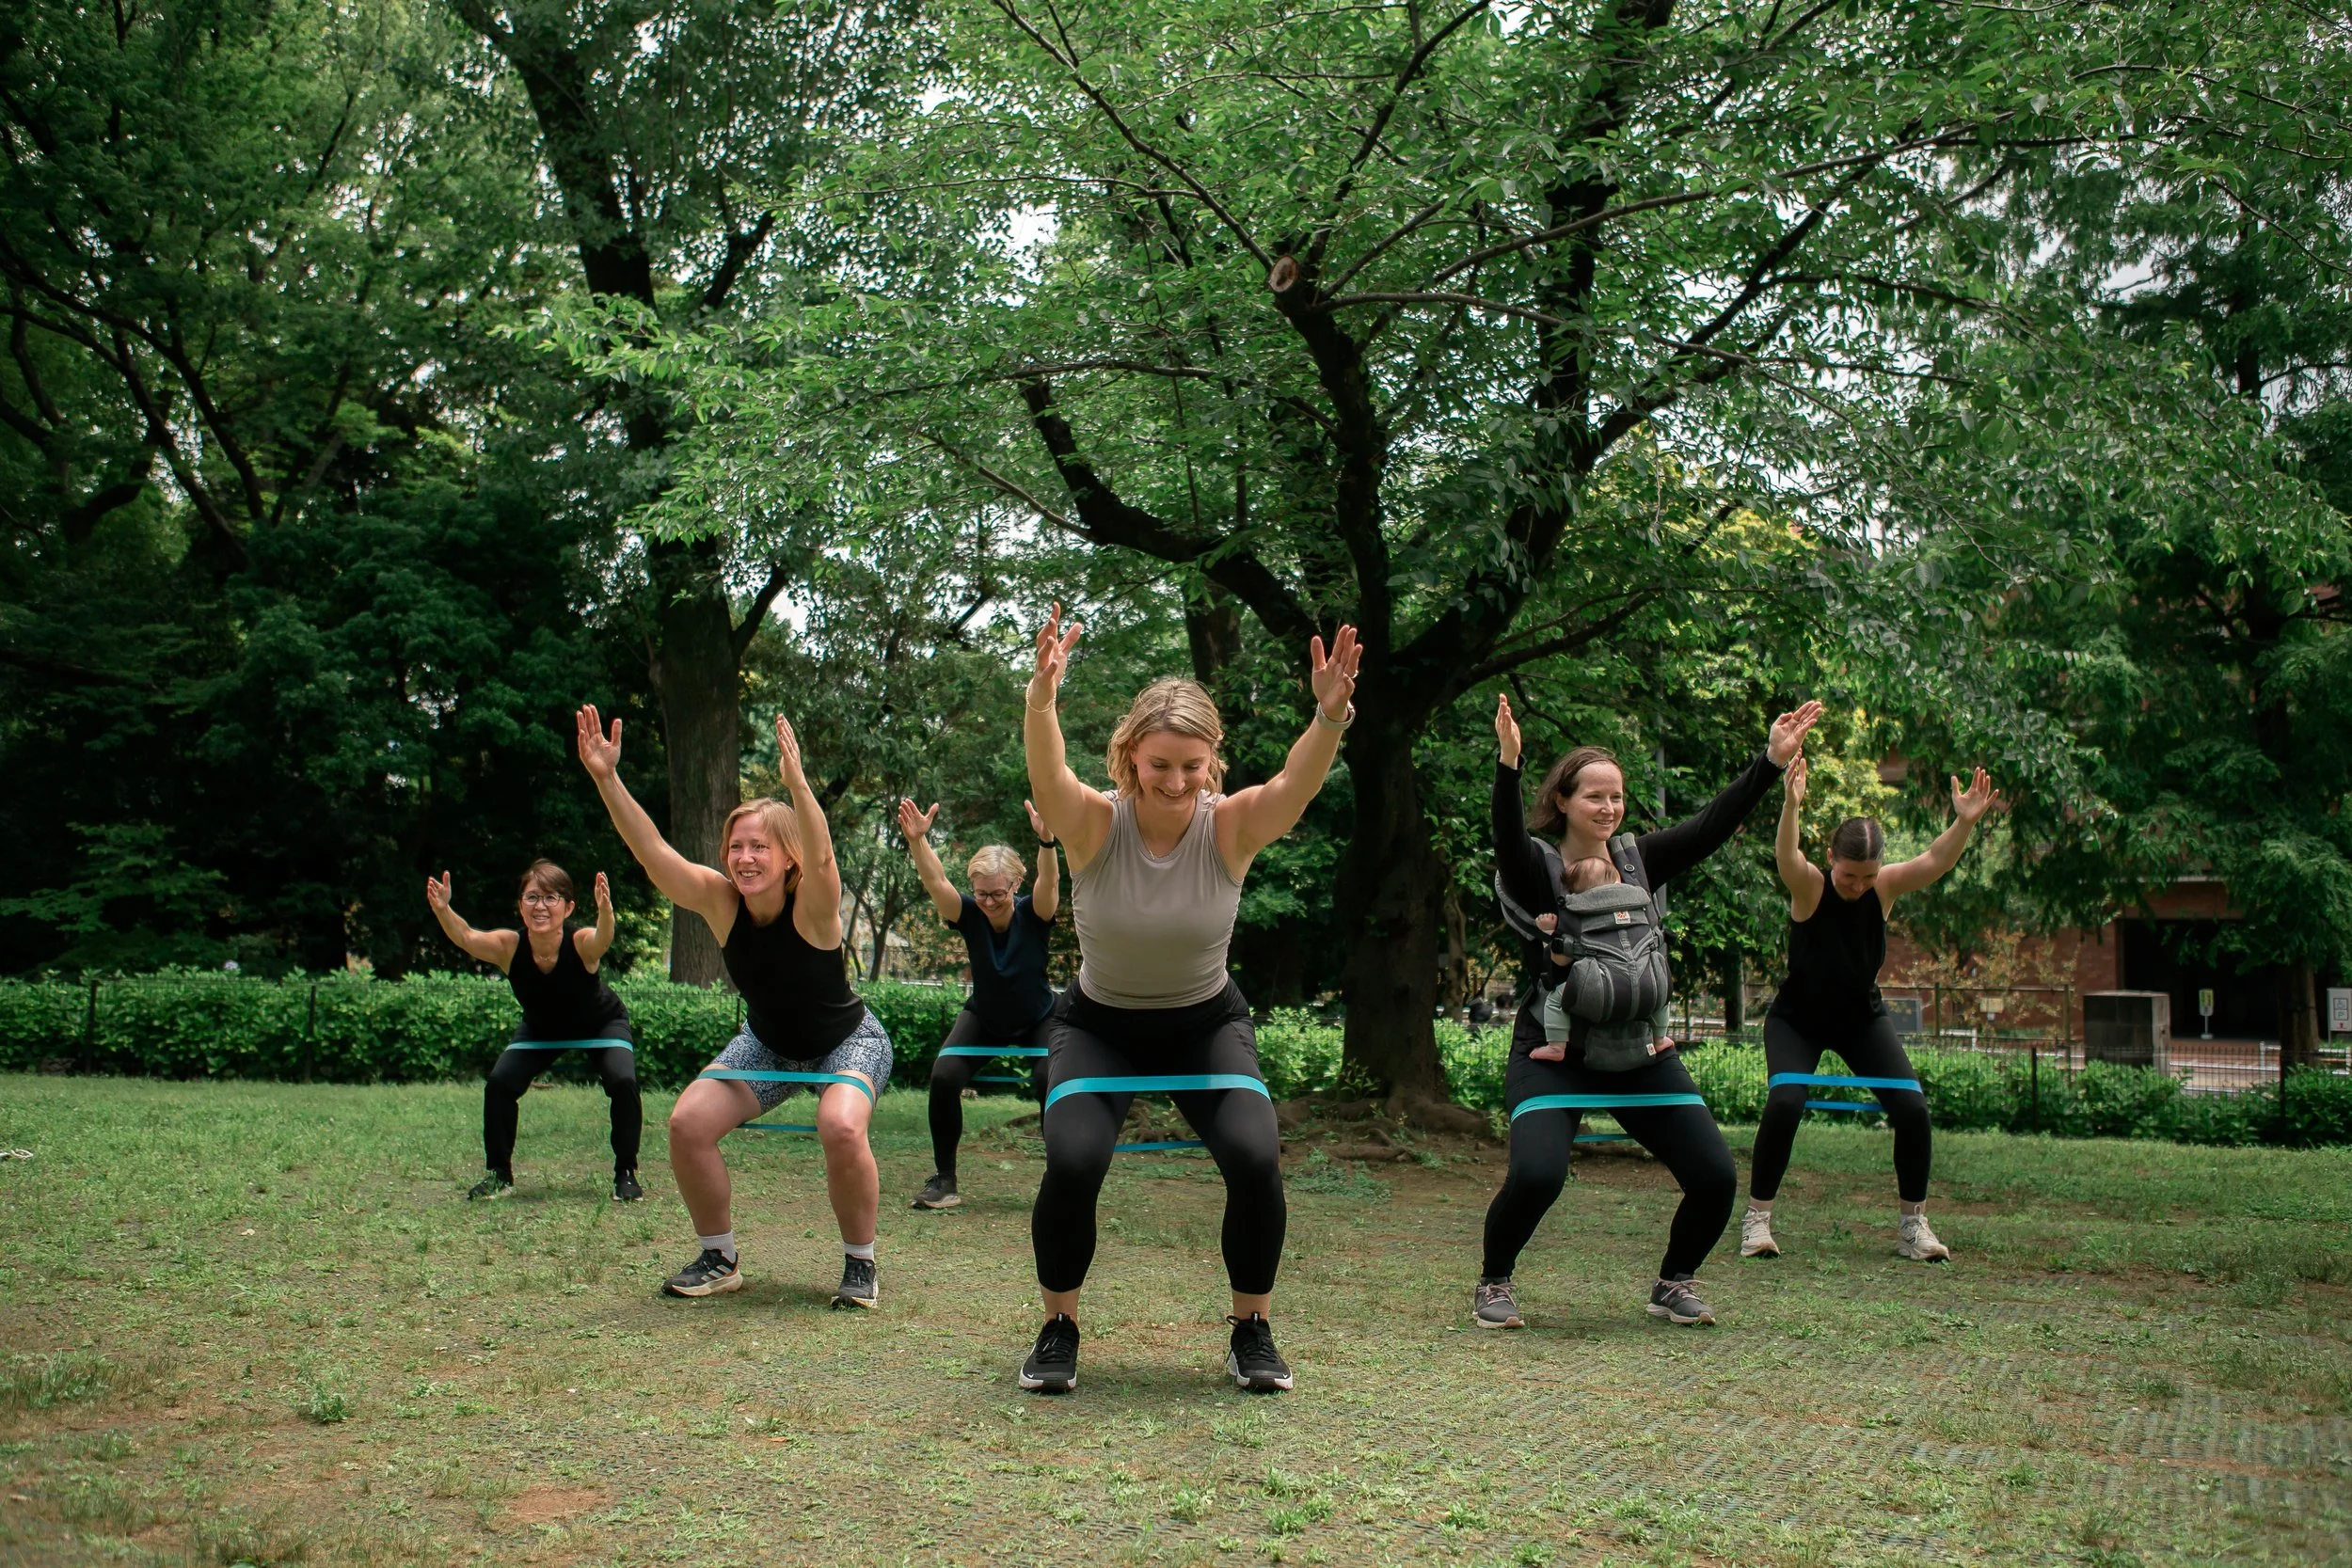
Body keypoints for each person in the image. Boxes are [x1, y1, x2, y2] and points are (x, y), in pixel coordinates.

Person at [1017, 605, 1359, 1394]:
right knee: (1073, 1161)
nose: (1176, 781)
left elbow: (1295, 784)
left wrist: (1330, 714)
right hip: (1099, 1024)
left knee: (1254, 1155)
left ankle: (1252, 1329)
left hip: (1204, 1022)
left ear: (1212, 762)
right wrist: (1042, 702)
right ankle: (1058, 1325)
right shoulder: (1094, 825)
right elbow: (1048, 775)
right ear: (1132, 755)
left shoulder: (1229, 828)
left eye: (1192, 765)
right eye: (1160, 763)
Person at [1477, 692, 1821, 1332]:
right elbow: (1504, 836)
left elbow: (1712, 825)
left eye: (1616, 796)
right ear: (1563, 801)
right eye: (1593, 796)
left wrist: (1769, 764)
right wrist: (1508, 764)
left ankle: (1675, 1280)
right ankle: (1495, 1280)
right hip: (1556, 1050)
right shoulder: (1538, 868)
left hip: (1639, 1048)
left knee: (1715, 1175)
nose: (1608, 808)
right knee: (1538, 1173)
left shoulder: (1640, 858)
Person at [575, 704, 892, 1308]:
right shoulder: (723, 904)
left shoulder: (813, 904)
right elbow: (654, 856)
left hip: (846, 1042)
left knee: (840, 1124)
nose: (743, 857)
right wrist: (606, 778)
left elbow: (824, 860)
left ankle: (860, 1264)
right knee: (687, 1122)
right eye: (736, 846)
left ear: (788, 857)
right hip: (769, 1042)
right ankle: (719, 1257)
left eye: (759, 848)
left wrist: (797, 786)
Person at [1742, 753, 1999, 1263]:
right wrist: (1791, 803)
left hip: (1862, 1019)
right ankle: (1757, 1220)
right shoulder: (1810, 885)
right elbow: (1786, 854)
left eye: (1867, 876)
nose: (1858, 885)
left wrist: (1964, 821)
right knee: (1787, 1102)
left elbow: (1936, 860)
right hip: (1797, 1020)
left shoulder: (1884, 887)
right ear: (1831, 858)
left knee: (1912, 1109)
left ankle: (1913, 1227)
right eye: (1849, 876)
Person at [425, 862, 643, 1203]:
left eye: (550, 898)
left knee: (623, 1082)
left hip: (601, 1023)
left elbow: (603, 939)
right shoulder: (509, 946)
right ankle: (499, 1174)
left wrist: (605, 911)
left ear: (568, 907)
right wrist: (443, 910)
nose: (540, 906)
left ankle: (625, 1172)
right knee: (499, 1085)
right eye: (532, 897)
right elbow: (466, 936)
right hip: (541, 1028)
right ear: (520, 905)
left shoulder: (581, 941)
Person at [898, 798, 1061, 1210]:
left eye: (997, 894)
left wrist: (1047, 841)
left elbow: (1051, 883)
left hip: (1039, 1016)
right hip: (985, 1014)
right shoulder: (968, 914)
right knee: (945, 1075)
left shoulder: (1036, 913)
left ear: (1015, 887)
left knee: (1050, 1082)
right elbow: (936, 882)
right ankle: (944, 1181)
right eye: (981, 894)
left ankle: (1060, 1181)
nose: (988, 902)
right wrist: (919, 841)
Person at [1531, 858, 1675, 1064]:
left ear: (1576, 893)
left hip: (1600, 995)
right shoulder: (1640, 906)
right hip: (1648, 992)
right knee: (1663, 994)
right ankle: (1660, 1038)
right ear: (1617, 878)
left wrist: (1549, 934)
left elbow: (1561, 960)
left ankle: (1555, 1046)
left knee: (1556, 999)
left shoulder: (1576, 914)